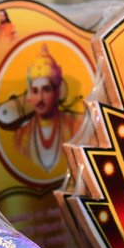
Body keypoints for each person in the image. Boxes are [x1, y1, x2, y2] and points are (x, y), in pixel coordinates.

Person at [12, 47, 80, 177]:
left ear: (57, 92)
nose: (40, 98)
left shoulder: (75, 128)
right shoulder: (20, 136)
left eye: (46, 89)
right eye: (35, 91)